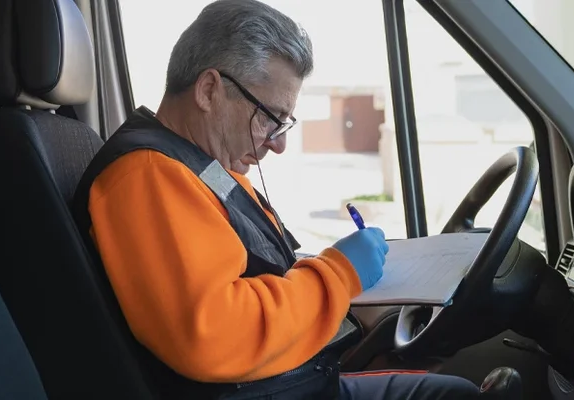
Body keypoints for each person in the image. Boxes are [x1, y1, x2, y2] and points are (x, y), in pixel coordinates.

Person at [73, 0, 485, 398]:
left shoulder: (203, 168)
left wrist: (334, 273)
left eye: (285, 122)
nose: (280, 144)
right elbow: (215, 333)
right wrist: (337, 275)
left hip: (292, 381)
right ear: (209, 90)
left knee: (451, 391)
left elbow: (253, 270)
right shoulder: (147, 175)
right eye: (270, 118)